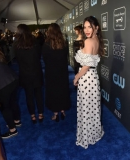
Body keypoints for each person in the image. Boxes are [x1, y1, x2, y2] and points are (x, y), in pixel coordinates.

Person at [73, 16, 105, 149]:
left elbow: (85, 66)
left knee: (86, 107)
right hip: (93, 78)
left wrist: (76, 77)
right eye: (84, 27)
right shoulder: (97, 40)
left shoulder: (89, 42)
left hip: (86, 78)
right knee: (92, 107)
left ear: (96, 28)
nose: (86, 30)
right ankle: (94, 133)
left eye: (89, 27)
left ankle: (86, 136)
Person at [12, 24, 44, 123]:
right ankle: (40, 114)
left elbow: (16, 59)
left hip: (25, 73)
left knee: (28, 95)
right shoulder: (35, 42)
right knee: (38, 94)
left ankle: (33, 116)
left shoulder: (16, 44)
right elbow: (39, 56)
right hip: (36, 72)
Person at [42, 23, 71, 122]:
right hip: (62, 72)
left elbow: (45, 59)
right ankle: (62, 111)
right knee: (62, 91)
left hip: (51, 73)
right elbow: (66, 57)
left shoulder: (46, 44)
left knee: (53, 92)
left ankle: (55, 114)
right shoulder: (64, 43)